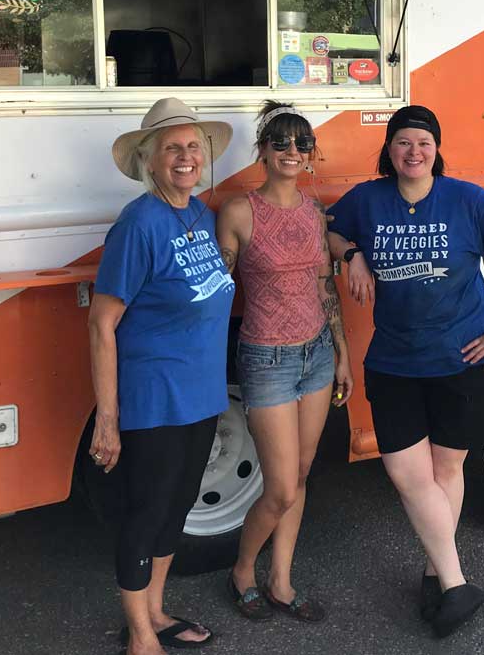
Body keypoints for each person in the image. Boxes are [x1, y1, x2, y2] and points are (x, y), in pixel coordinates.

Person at [326, 105, 484, 639]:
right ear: (390, 151)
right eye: (403, 142)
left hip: (463, 360)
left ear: (436, 150)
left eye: (423, 142)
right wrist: (352, 252)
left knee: (447, 472)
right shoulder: (368, 200)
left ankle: (434, 572)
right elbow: (325, 227)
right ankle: (456, 582)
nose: (413, 152)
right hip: (395, 363)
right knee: (407, 474)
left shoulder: (466, 200)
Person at [88, 98, 236, 655]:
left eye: (194, 147)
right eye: (172, 148)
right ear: (149, 160)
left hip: (200, 395)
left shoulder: (201, 213)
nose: (185, 157)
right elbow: (102, 325)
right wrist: (109, 418)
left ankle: (154, 609)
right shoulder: (139, 222)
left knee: (177, 508)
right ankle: (140, 634)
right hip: (153, 397)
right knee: (146, 512)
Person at [216, 101, 353, 623]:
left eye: (301, 143)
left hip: (316, 355)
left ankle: (282, 580)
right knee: (278, 488)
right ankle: (242, 571)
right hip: (266, 358)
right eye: (281, 142)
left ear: (311, 154)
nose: (292, 151)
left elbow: (324, 286)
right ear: (263, 152)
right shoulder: (237, 211)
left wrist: (340, 353)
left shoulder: (315, 212)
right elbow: (216, 292)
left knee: (299, 474)